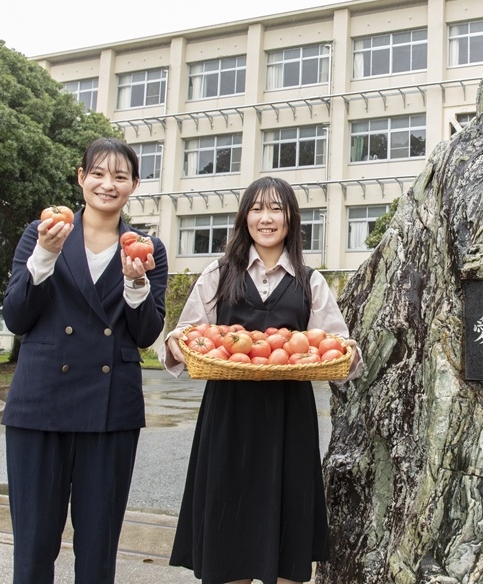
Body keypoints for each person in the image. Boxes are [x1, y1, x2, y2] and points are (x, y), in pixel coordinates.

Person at [160, 176, 361, 584]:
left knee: (286, 528)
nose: (265, 218)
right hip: (229, 417)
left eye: (275, 209)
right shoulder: (218, 273)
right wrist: (176, 343)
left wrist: (351, 353)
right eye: (256, 209)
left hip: (289, 419)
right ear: (244, 217)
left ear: (291, 219)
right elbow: (185, 336)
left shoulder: (309, 280)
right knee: (228, 534)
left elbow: (336, 348)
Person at [1, 136, 168, 584]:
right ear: (81, 178)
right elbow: (17, 317)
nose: (107, 184)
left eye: (119, 176)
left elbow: (148, 334)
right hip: (39, 406)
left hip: (110, 408)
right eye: (97, 173)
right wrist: (45, 256)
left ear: (134, 184)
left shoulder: (147, 248)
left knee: (97, 552)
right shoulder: (40, 235)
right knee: (34, 548)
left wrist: (137, 286)